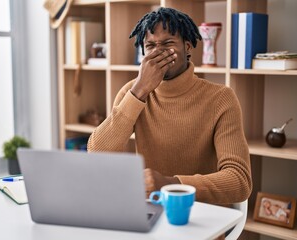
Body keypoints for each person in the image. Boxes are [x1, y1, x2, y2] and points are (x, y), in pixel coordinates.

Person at [88, 7, 252, 205]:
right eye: (150, 46)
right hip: (150, 211)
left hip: (202, 215)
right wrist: (140, 91)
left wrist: (171, 184)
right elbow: (97, 153)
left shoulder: (221, 98)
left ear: (188, 47)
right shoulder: (132, 92)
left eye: (168, 44)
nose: (158, 52)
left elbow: (239, 181)